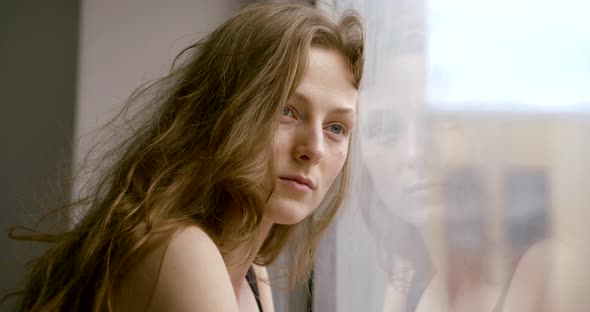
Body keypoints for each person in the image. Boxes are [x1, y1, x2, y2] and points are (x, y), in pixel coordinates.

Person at [4, 2, 364, 311]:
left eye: (336, 128)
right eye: (286, 110)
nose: (314, 149)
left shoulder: (252, 272)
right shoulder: (179, 249)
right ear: (225, 111)